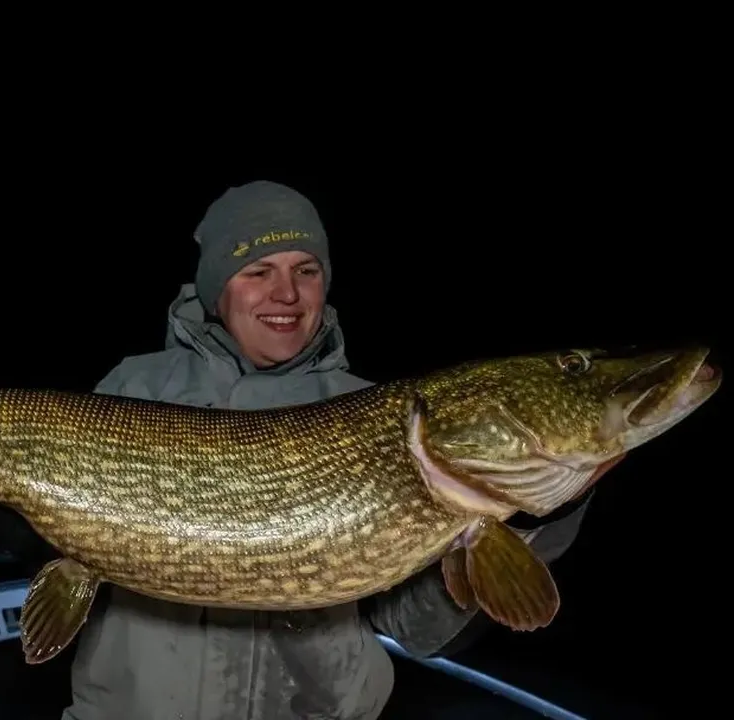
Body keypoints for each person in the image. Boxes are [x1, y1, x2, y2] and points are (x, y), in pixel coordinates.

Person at [61, 180, 593, 720]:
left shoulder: (371, 413)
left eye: (306, 271)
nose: (287, 295)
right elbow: (73, 541)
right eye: (258, 271)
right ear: (217, 289)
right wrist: (28, 535)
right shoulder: (134, 390)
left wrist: (534, 515)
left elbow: (415, 630)